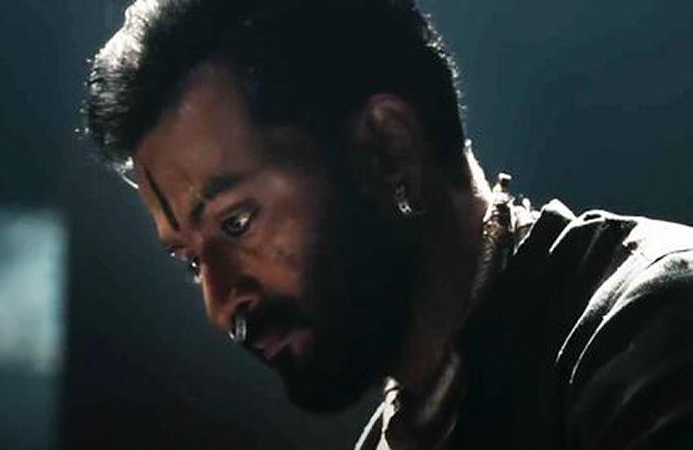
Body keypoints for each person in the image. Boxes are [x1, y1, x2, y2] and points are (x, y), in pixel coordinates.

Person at [83, 0, 693, 448]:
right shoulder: (401, 433)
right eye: (192, 261)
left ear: (387, 149)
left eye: (237, 223)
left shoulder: (651, 330)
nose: (221, 305)